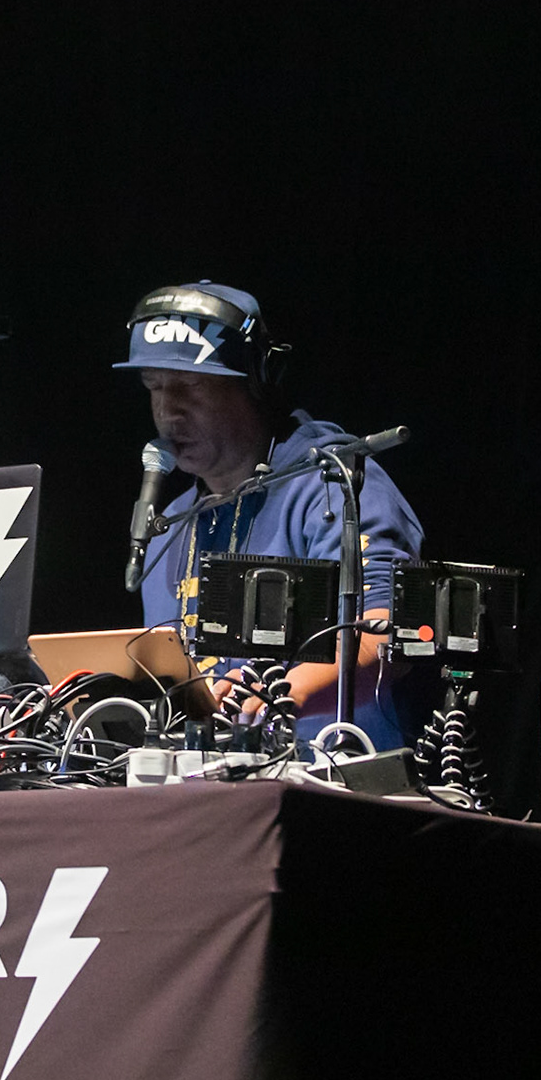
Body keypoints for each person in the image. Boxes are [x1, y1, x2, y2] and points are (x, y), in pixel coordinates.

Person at [115, 281, 424, 748]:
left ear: (256, 384)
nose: (166, 412)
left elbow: (392, 637)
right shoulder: (171, 525)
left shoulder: (337, 484)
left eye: (189, 386)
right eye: (153, 388)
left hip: (335, 786)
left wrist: (280, 696)